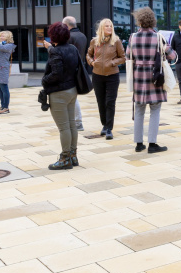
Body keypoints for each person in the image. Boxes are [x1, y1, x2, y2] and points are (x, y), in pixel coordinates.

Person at [126, 7, 177, 154]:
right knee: (155, 110)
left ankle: (138, 143)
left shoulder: (133, 37)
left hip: (138, 77)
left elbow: (128, 56)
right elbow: (172, 55)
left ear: (139, 20)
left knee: (139, 110)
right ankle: (152, 143)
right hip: (155, 76)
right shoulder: (158, 37)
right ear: (152, 21)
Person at [42, 22, 81, 170]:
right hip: (72, 90)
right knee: (72, 125)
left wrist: (44, 80)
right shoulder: (72, 49)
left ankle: (65, 158)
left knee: (64, 127)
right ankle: (73, 155)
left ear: (53, 35)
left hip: (59, 93)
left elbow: (56, 73)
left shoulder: (56, 51)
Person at [86, 18, 126, 140]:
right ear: (102, 28)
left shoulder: (116, 41)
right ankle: (104, 124)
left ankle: (109, 128)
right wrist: (92, 62)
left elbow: (123, 57)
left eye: (111, 26)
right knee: (101, 102)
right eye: (107, 26)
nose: (109, 28)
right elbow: (88, 54)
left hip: (112, 76)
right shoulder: (94, 41)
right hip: (97, 75)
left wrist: (113, 63)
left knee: (110, 102)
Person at [63, 16, 88, 132]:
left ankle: (78, 122)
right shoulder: (82, 35)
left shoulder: (69, 36)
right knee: (73, 96)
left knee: (72, 97)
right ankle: (76, 121)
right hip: (79, 68)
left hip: (70, 70)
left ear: (67, 25)